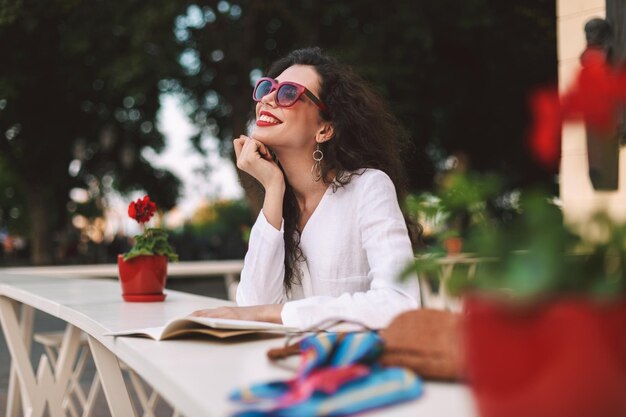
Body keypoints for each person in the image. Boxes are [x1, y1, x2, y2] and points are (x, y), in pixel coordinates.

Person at [192, 47, 420, 329]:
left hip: (355, 366)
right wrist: (273, 189)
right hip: (290, 365)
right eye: (267, 87)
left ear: (324, 129)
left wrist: (274, 313)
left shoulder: (368, 187)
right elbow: (251, 306)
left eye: (288, 93)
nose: (268, 99)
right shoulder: (281, 204)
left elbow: (400, 303)